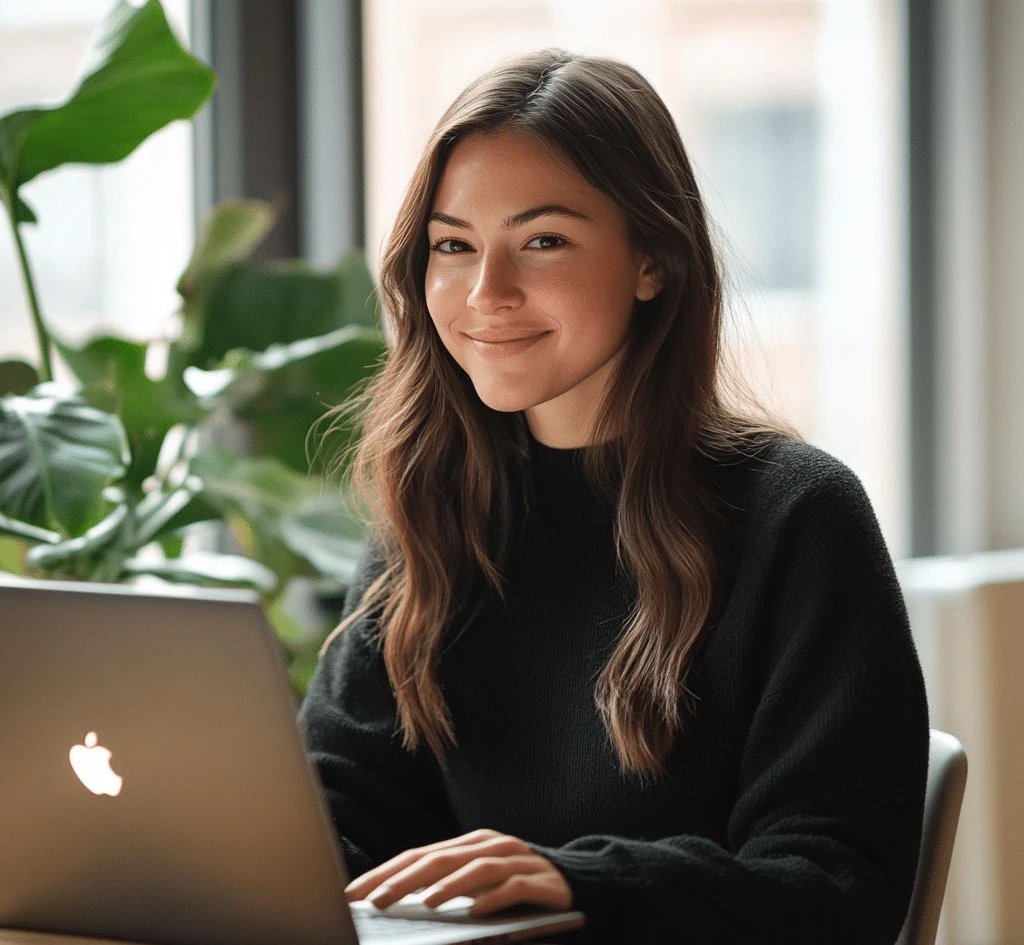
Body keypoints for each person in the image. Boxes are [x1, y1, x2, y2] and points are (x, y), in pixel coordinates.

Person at [298, 48, 929, 944]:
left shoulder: (797, 514)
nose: (487, 293)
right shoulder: (437, 512)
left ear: (653, 262)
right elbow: (336, 811)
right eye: (453, 245)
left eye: (543, 241)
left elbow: (835, 884)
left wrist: (577, 881)